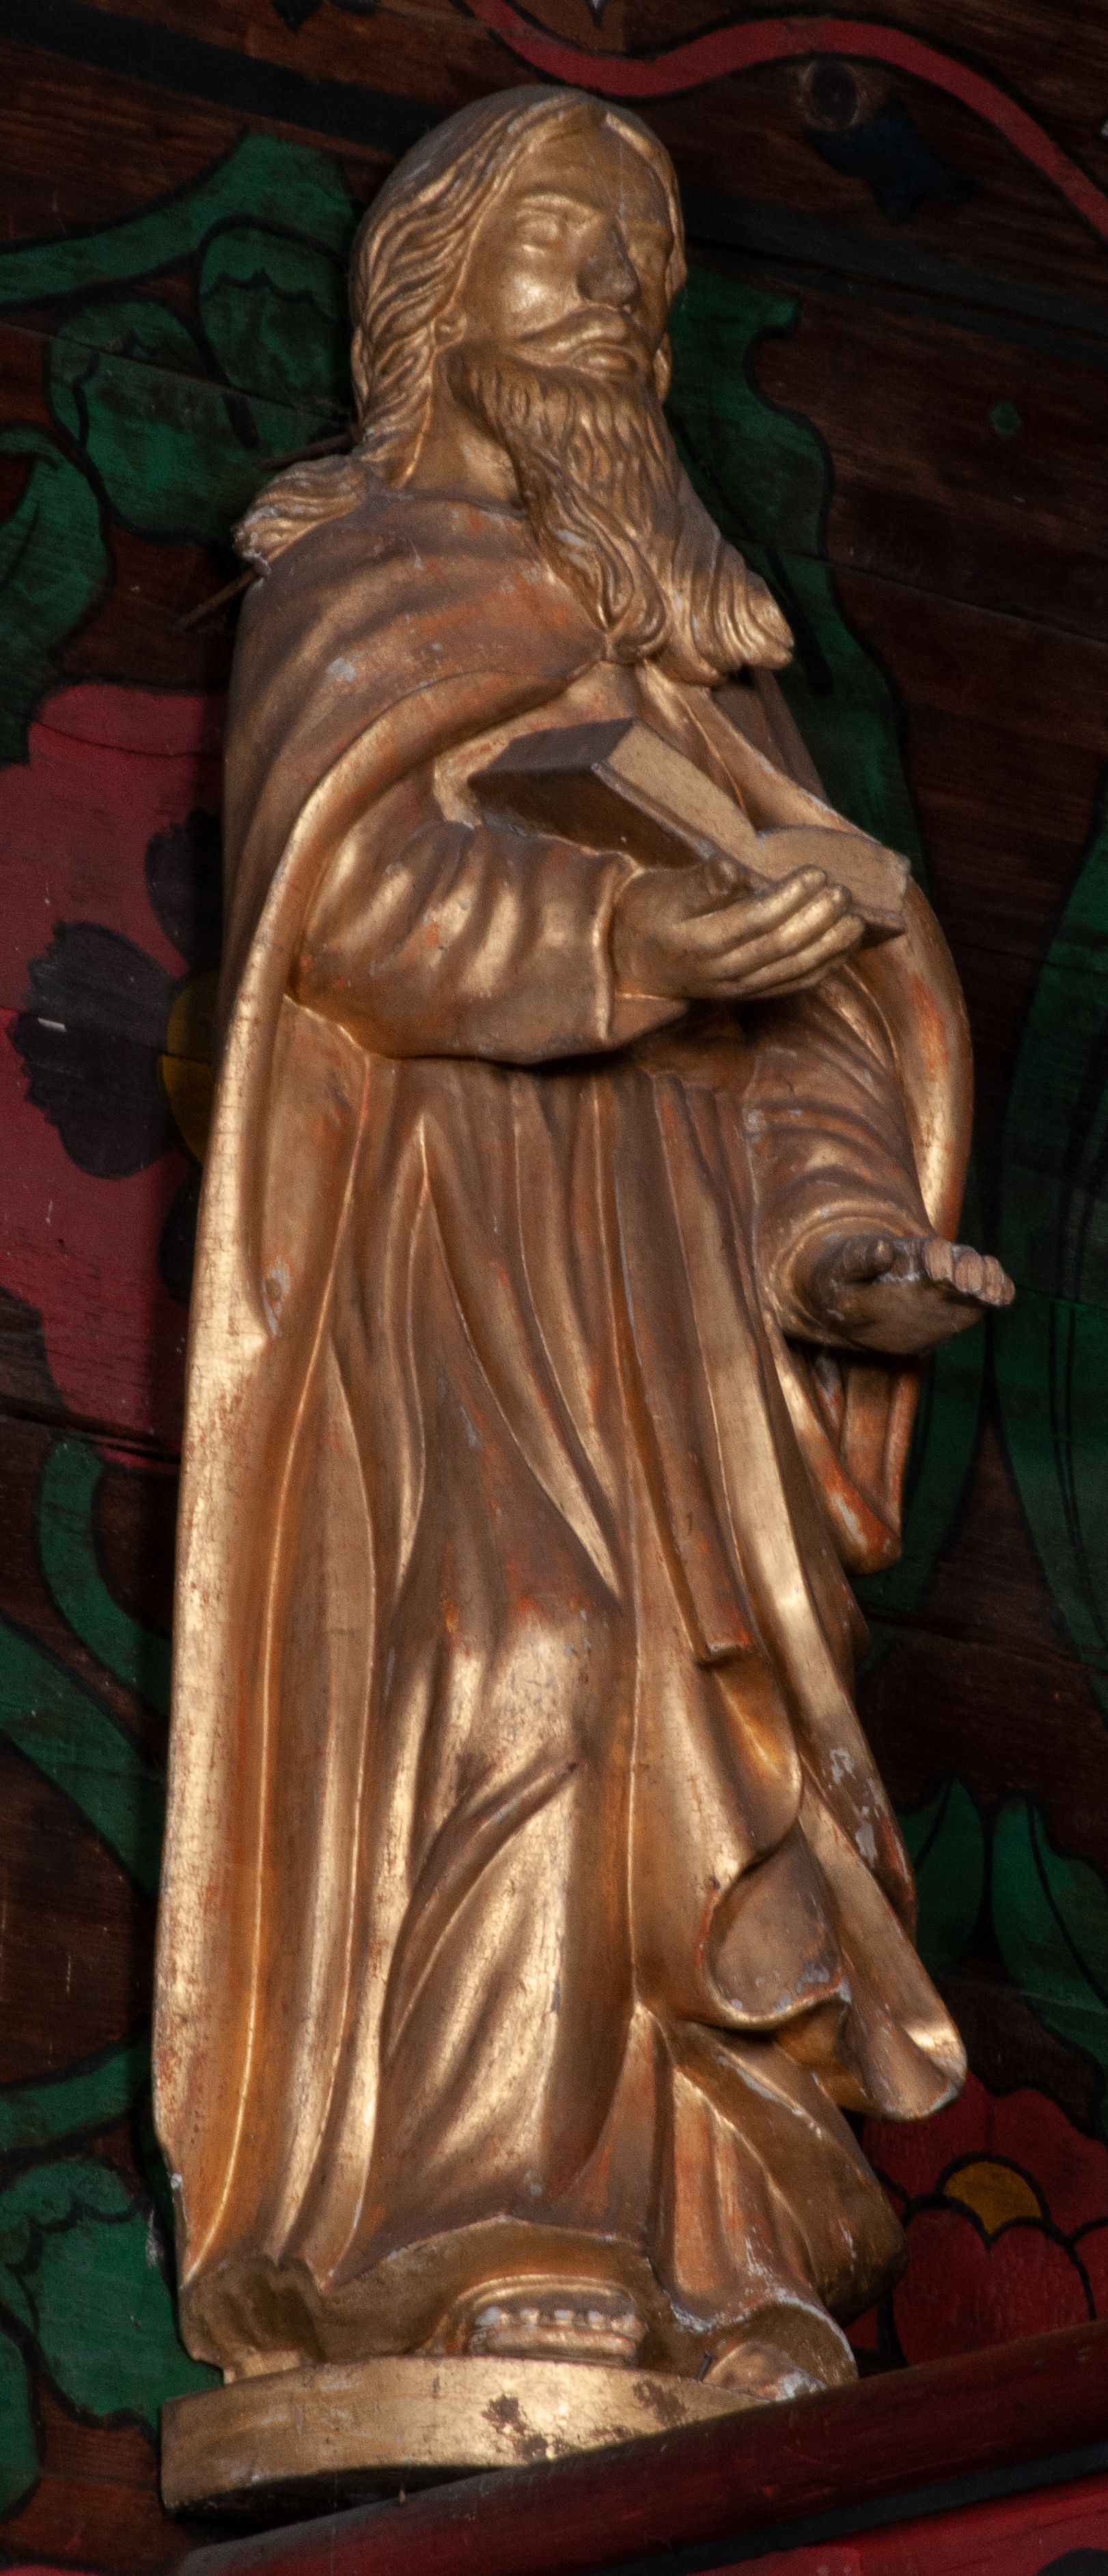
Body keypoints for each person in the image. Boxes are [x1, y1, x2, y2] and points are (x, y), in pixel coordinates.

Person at [154, 85, 1012, 2407]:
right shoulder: (365, 578)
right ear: (433, 296)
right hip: (455, 1230)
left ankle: (722, 2256)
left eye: (653, 264)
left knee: (705, 1731)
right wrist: (643, 938)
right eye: (569, 241)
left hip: (688, 1321)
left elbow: (827, 1026)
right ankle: (465, 2215)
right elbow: (351, 902)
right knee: (517, 1650)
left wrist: (844, 1241)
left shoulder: (719, 683)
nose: (624, 296)